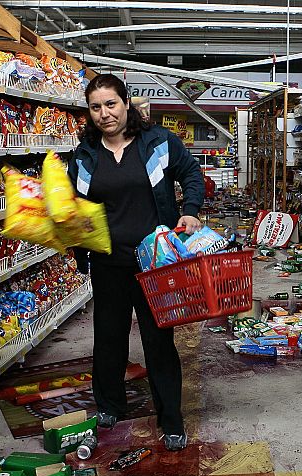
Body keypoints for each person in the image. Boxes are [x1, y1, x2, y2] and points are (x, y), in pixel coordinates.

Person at [67, 74, 205, 452]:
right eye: (96, 107)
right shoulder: (84, 155)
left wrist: (191, 210)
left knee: (158, 341)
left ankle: (171, 418)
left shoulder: (158, 142)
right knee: (108, 338)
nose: (104, 114)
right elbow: (74, 205)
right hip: (108, 261)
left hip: (154, 262)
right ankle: (110, 405)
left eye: (111, 104)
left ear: (126, 102)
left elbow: (191, 173)